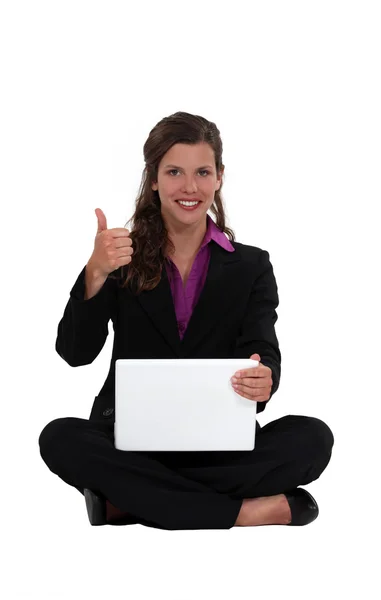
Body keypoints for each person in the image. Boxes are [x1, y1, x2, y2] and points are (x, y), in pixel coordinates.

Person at [38, 111, 334, 530]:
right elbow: (74, 353)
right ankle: (246, 511)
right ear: (154, 179)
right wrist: (96, 272)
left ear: (219, 178)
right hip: (131, 441)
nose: (190, 187)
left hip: (220, 445)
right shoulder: (119, 257)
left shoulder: (251, 265)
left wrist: (264, 376)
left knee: (313, 438)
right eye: (174, 171)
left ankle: (130, 501)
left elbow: (262, 346)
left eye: (202, 172)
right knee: (58, 437)